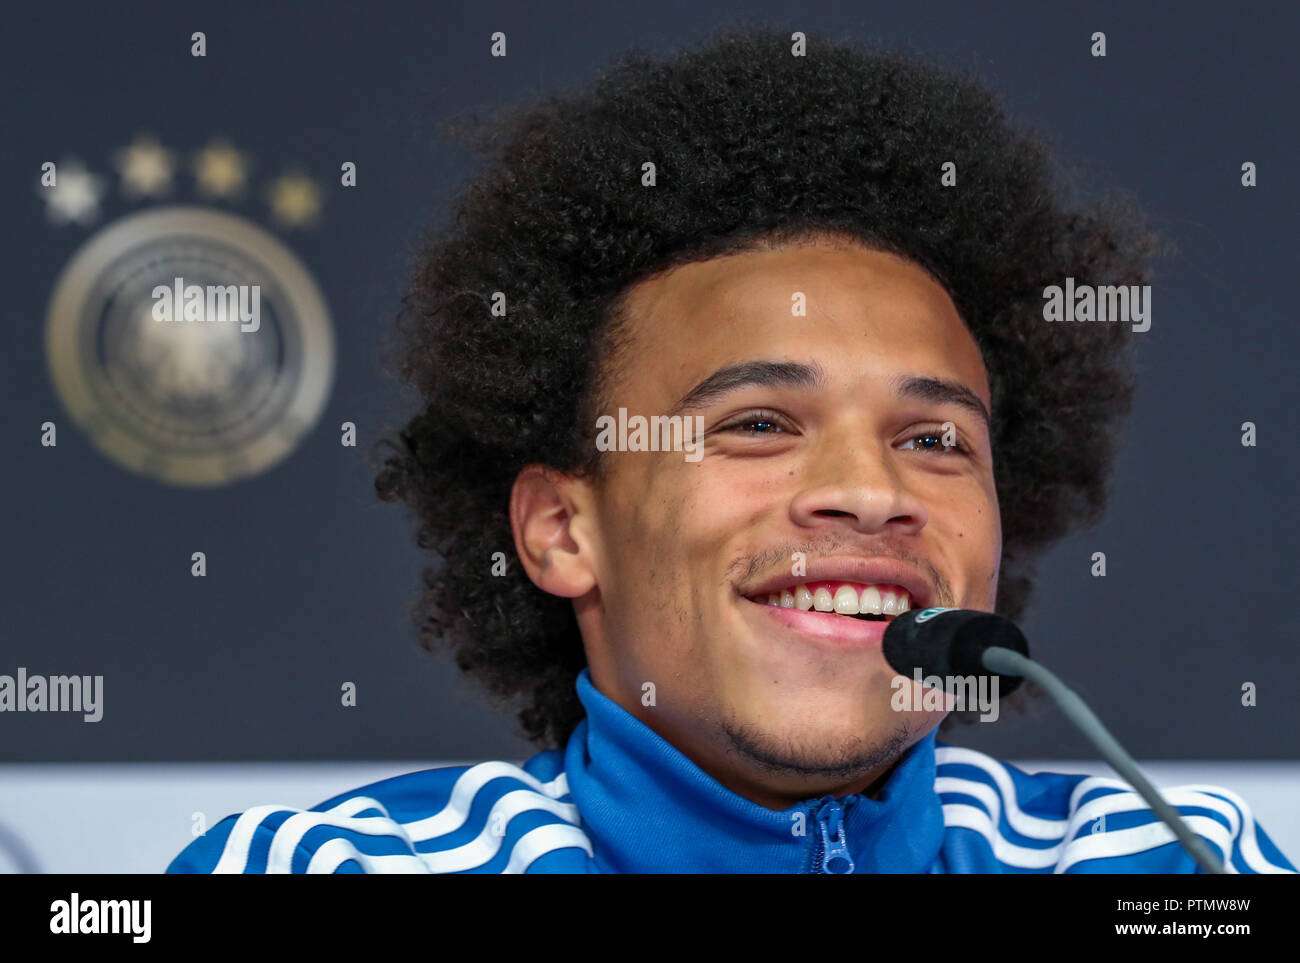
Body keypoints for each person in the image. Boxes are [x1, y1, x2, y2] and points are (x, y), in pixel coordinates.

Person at [168, 26, 1294, 874]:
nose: (868, 492)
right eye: (757, 423)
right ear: (563, 529)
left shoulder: (1176, 867)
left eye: (933, 438)